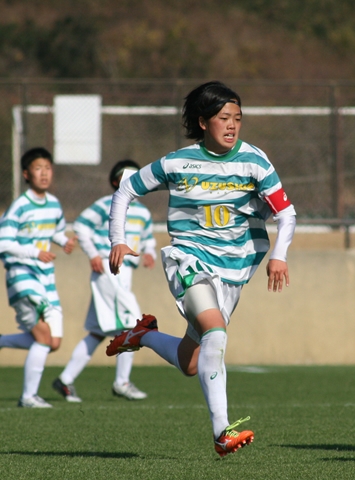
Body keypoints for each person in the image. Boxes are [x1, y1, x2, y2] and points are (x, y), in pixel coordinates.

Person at [105, 81, 296, 457]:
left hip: (233, 271)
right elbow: (126, 190)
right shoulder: (178, 163)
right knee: (216, 330)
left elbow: (286, 213)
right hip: (188, 260)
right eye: (224, 117)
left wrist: (280, 254)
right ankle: (222, 433)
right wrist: (117, 239)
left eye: (238, 118)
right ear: (203, 121)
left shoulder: (254, 161)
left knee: (191, 362)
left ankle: (141, 335)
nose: (232, 125)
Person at [52, 159, 156, 403]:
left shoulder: (142, 211)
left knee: (98, 332)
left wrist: (150, 251)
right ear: (114, 182)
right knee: (134, 325)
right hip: (110, 270)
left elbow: (148, 237)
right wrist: (94, 254)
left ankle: (65, 380)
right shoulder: (106, 204)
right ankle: (122, 382)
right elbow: (81, 225)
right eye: (125, 177)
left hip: (125, 274)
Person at [0, 147, 76, 408]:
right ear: (26, 174)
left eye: (47, 168)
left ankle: (2, 341)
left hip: (45, 278)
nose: (44, 174)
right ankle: (28, 397)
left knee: (53, 342)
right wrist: (35, 252)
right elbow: (3, 242)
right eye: (37, 168)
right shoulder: (20, 205)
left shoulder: (54, 204)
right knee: (43, 338)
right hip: (22, 278)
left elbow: (53, 232)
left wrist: (64, 241)